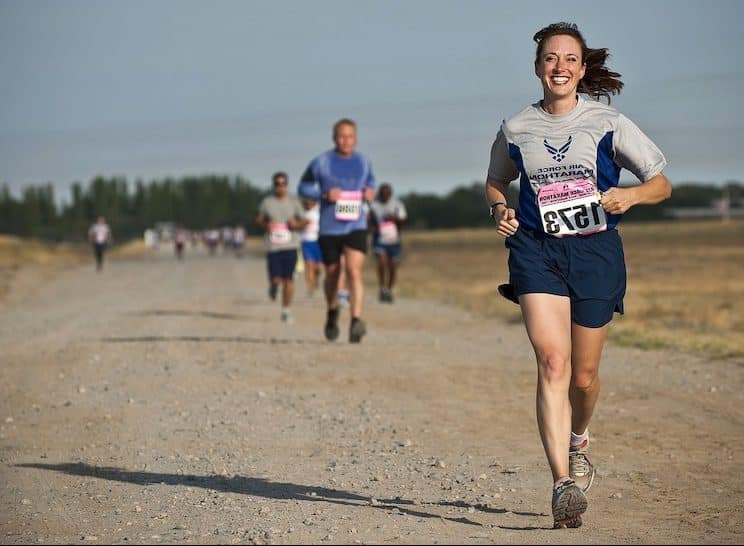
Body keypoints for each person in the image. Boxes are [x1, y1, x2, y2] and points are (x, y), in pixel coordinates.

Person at [485, 22, 671, 529]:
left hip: (595, 253)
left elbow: (661, 184)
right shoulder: (516, 127)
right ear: (537, 66)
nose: (559, 66)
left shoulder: (607, 122)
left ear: (582, 68)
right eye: (550, 58)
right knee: (552, 362)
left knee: (583, 378)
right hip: (535, 250)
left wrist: (629, 196)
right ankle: (561, 484)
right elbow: (496, 180)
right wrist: (499, 207)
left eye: (569, 58)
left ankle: (579, 439)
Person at [298, 118, 376, 343]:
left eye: (350, 136)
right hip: (330, 228)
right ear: (334, 138)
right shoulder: (321, 162)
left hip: (356, 225)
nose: (346, 141)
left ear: (356, 138)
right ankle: (332, 311)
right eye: (341, 136)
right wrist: (322, 195)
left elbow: (371, 183)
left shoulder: (363, 161)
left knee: (353, 270)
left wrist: (370, 192)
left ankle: (356, 321)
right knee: (333, 273)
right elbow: (303, 186)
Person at [256, 172, 307, 323]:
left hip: (291, 245)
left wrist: (296, 224)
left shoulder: (294, 202)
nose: (280, 187)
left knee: (289, 280)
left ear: (287, 185)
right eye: (277, 184)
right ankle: (273, 286)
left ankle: (286, 310)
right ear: (273, 185)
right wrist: (266, 225)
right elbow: (258, 220)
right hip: (273, 247)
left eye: (283, 184)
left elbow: (305, 220)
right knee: (276, 279)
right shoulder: (267, 202)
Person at [369, 183, 407, 303]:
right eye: (382, 194)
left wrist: (394, 218)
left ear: (390, 194)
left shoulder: (397, 204)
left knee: (393, 267)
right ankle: (382, 288)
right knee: (382, 262)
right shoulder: (374, 205)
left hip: (394, 240)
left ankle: (389, 290)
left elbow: (403, 219)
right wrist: (371, 228)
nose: (385, 196)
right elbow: (368, 219)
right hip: (379, 239)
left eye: (387, 194)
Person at [299, 198, 324, 297]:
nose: (308, 203)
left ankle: (316, 280)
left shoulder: (320, 210)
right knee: (309, 265)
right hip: (306, 242)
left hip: (319, 242)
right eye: (307, 201)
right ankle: (310, 287)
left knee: (318, 268)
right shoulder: (301, 212)